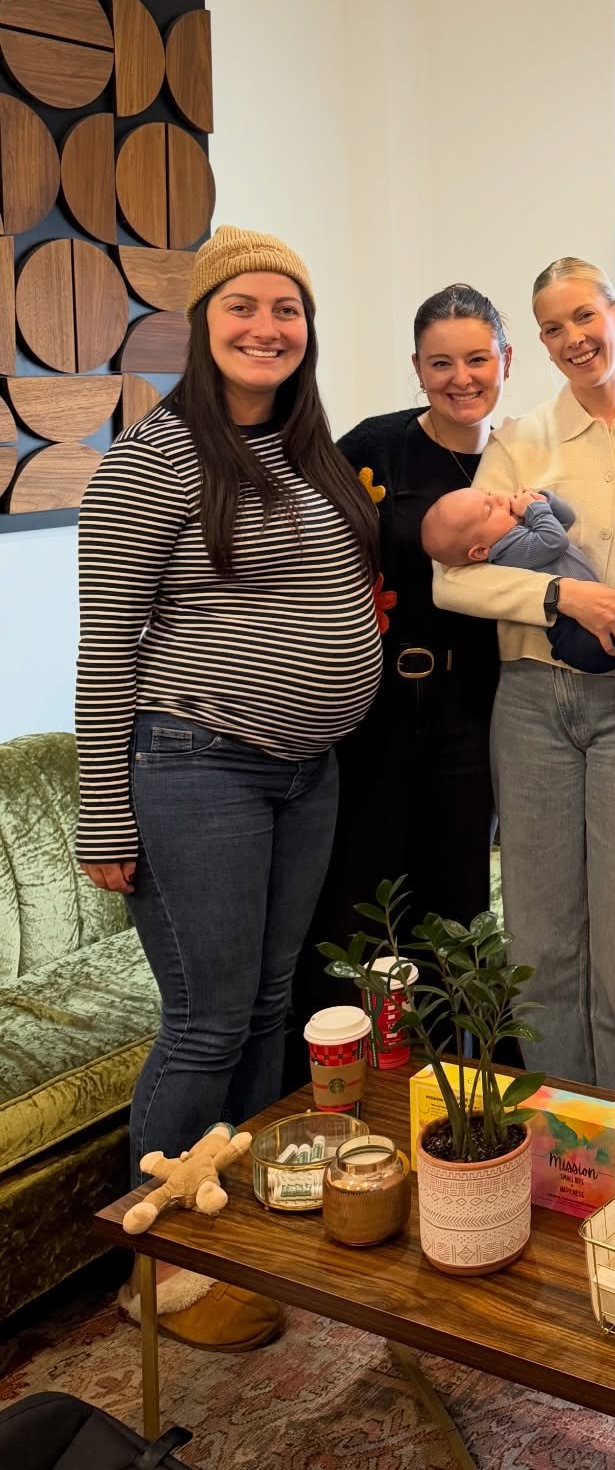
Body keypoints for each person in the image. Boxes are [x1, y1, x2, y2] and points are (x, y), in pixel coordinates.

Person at [75, 227, 381, 1351]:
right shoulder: (153, 463)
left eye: (287, 311)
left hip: (303, 774)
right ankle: (154, 1265)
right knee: (205, 1021)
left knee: (264, 1005)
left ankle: (229, 1231)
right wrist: (101, 814)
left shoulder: (305, 451)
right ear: (202, 326)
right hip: (194, 764)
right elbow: (105, 647)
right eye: (243, 307)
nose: (267, 328)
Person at [431, 258, 615, 1099]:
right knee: (540, 938)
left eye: (584, 317)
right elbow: (451, 577)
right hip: (533, 703)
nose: (573, 338)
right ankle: (557, 1140)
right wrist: (559, 593)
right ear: (537, 344)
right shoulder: (519, 442)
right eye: (551, 328)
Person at [294, 284, 508, 1038]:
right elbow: (307, 556)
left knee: (457, 898)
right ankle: (348, 1064)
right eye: (440, 362)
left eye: (477, 359)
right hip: (374, 707)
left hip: (474, 706)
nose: (461, 378)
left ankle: (452, 1071)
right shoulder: (369, 448)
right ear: (417, 367)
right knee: (361, 892)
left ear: (505, 361)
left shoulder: (522, 455)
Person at [421, 485, 615, 697]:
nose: (500, 498)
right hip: (576, 637)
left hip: (586, 635)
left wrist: (545, 500)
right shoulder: (508, 552)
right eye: (490, 508)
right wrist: (535, 509)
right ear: (479, 551)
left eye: (489, 495)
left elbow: (565, 519)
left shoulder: (518, 535)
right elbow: (555, 541)